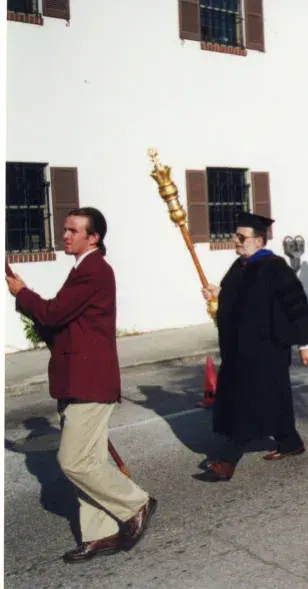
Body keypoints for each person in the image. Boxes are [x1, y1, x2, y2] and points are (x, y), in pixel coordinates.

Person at [7, 207, 156, 562]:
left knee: (74, 461)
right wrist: (30, 304)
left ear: (94, 238)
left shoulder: (93, 271)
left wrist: (23, 293)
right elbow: (60, 324)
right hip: (77, 379)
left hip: (90, 381)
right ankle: (100, 534)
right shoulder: (81, 271)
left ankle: (136, 503)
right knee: (88, 460)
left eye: (74, 230)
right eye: (65, 229)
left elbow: (54, 313)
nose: (66, 235)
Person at [198, 212, 308, 482]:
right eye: (236, 236)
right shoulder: (239, 266)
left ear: (259, 240)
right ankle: (290, 442)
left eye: (241, 237)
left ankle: (228, 459)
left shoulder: (274, 266)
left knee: (248, 401)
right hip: (241, 348)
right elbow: (235, 299)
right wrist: (216, 295)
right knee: (276, 397)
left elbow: (295, 303)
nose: (236, 241)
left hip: (268, 348)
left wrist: (305, 343)